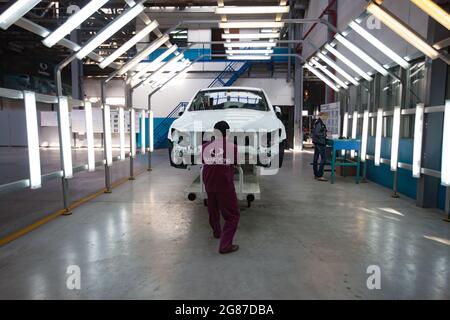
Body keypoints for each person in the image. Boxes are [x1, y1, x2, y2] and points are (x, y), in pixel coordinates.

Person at [202, 121, 240, 254]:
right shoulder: (232, 147)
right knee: (233, 215)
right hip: (224, 185)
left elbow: (203, 161)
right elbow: (236, 162)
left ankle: (217, 232)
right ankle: (225, 245)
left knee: (213, 210)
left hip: (209, 183)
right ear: (227, 133)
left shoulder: (205, 146)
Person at [312, 112, 329, 182]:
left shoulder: (318, 122)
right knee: (323, 159)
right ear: (322, 116)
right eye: (326, 116)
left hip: (317, 142)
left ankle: (316, 174)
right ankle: (320, 175)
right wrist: (324, 133)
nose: (327, 118)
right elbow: (316, 133)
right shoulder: (319, 123)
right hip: (320, 143)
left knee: (316, 159)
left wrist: (324, 131)